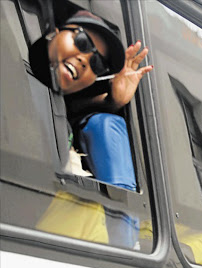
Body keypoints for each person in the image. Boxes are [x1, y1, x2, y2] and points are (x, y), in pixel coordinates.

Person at [30, 10, 152, 247]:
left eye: (97, 63)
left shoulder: (57, 111)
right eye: (82, 41)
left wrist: (113, 103)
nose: (85, 59)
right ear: (55, 32)